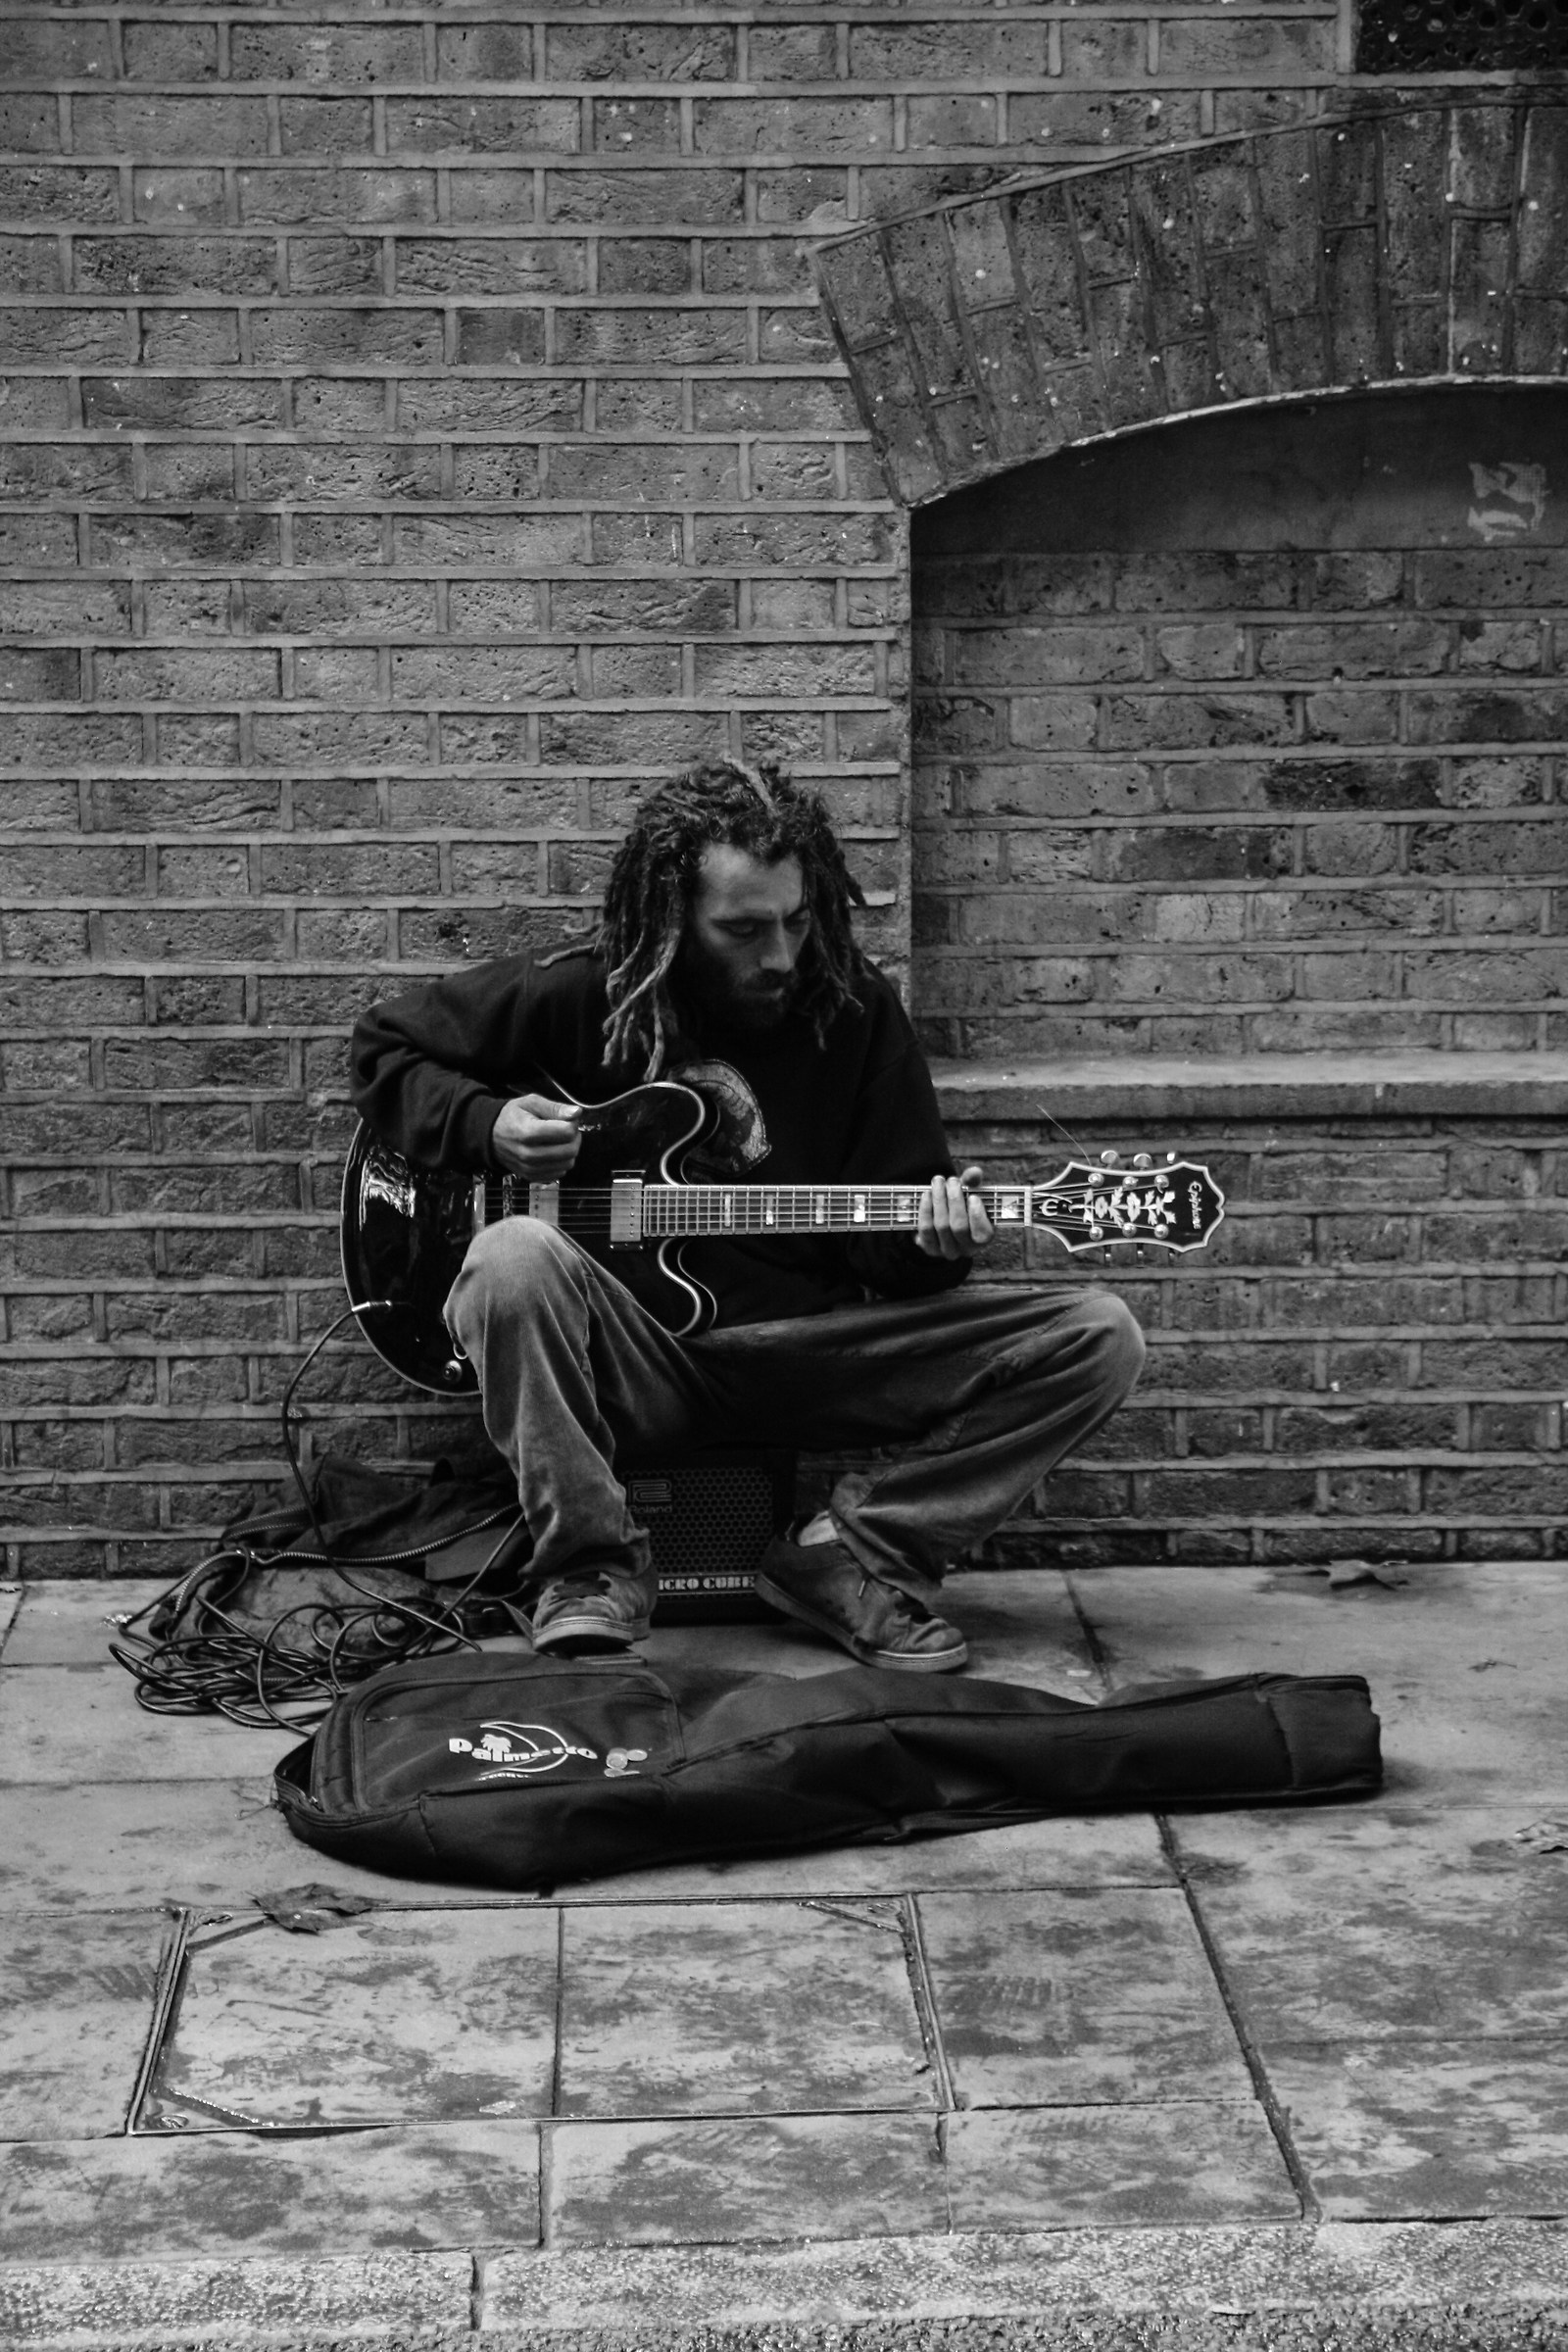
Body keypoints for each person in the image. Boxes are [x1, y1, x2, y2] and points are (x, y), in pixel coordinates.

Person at [350, 761, 1145, 1672]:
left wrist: (935, 1243)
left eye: (796, 921)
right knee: (509, 1256)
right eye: (743, 929)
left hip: (810, 1356)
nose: (780, 956)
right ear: (673, 918)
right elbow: (385, 1045)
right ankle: (589, 1571)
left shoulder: (850, 1011)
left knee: (1101, 1335)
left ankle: (854, 1557)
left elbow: (893, 1260)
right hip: (633, 1359)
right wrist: (486, 1125)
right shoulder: (585, 994)